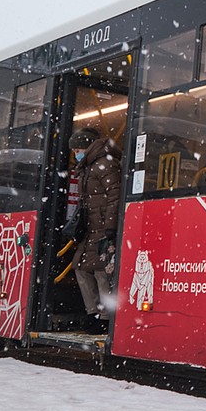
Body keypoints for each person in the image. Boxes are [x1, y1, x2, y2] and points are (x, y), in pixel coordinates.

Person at [66, 127, 122, 328]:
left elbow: (115, 196)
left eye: (77, 149)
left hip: (102, 228)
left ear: (87, 147)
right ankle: (94, 314)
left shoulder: (104, 165)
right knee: (81, 267)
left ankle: (105, 318)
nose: (75, 154)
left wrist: (110, 228)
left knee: (100, 270)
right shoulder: (90, 166)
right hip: (92, 228)